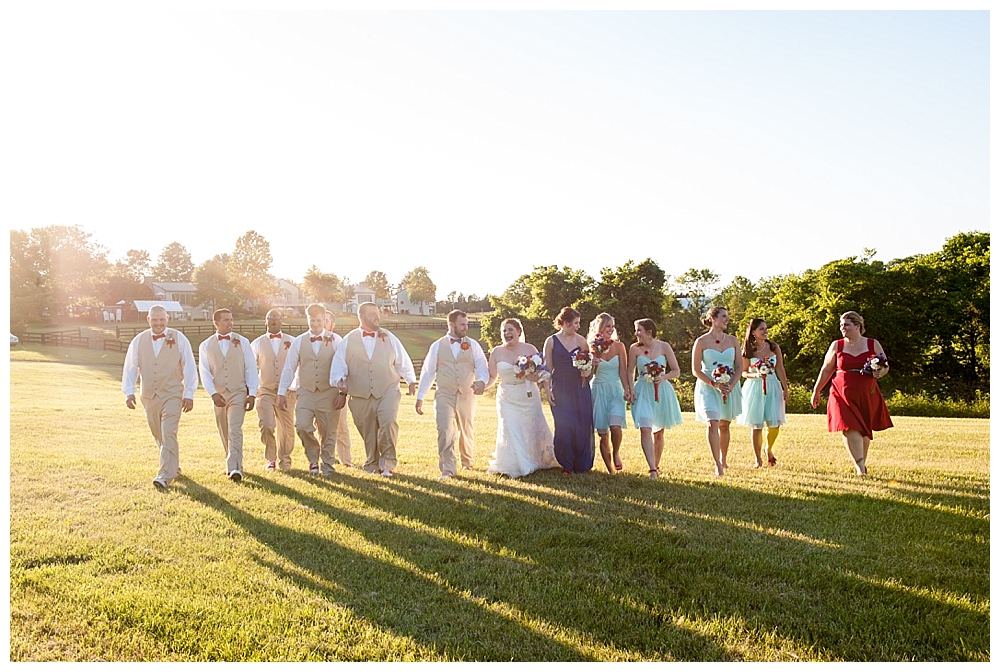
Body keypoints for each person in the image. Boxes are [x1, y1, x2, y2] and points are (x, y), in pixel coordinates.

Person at [331, 302, 417, 477]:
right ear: (361, 317)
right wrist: (339, 382)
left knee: (388, 422)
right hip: (360, 394)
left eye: (377, 313)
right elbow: (339, 365)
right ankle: (372, 461)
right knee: (368, 431)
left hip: (387, 389)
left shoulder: (389, 337)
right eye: (372, 314)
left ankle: (387, 463)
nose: (377, 317)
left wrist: (410, 380)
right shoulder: (348, 340)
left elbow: (402, 360)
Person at [121, 305, 197, 490]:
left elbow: (189, 366)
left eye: (161, 319)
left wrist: (189, 394)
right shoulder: (139, 341)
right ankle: (174, 467)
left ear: (167, 318)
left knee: (169, 432)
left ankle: (164, 475)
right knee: (159, 434)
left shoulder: (180, 339)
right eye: (154, 320)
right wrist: (129, 391)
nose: (158, 323)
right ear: (148, 320)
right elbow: (130, 367)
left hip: (172, 394)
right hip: (149, 395)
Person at [811, 311, 893, 475]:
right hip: (841, 392)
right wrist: (817, 390)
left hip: (866, 392)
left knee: (863, 430)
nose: (843, 328)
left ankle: (862, 462)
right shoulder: (837, 345)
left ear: (857, 326)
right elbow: (827, 369)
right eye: (841, 325)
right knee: (849, 427)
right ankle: (860, 468)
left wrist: (880, 372)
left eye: (846, 325)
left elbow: (885, 366)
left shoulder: (872, 344)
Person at [415, 310, 489, 480]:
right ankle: (447, 469)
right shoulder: (437, 346)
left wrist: (482, 381)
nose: (466, 328)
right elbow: (428, 373)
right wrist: (420, 397)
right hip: (444, 394)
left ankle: (467, 462)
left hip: (467, 394)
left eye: (467, 324)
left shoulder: (473, 345)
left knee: (466, 429)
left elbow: (482, 366)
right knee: (445, 430)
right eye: (462, 324)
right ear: (451, 324)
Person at [485, 318, 559, 478]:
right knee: (510, 426)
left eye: (510, 329)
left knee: (532, 426)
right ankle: (517, 463)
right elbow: (491, 377)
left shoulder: (530, 348)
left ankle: (537, 458)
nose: (507, 333)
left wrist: (531, 375)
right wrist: (482, 386)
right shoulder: (496, 352)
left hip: (528, 396)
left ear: (519, 331)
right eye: (504, 331)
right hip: (507, 397)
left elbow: (542, 374)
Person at [278, 303, 341, 476]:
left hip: (329, 391)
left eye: (319, 320)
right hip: (305, 391)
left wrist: (342, 392)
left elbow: (342, 366)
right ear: (307, 320)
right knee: (302, 426)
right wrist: (281, 392)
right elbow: (289, 368)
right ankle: (313, 459)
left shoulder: (335, 340)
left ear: (324, 319)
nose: (315, 324)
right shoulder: (298, 342)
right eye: (312, 320)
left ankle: (327, 465)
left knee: (329, 431)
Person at [199, 308, 259, 482]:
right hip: (218, 393)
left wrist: (252, 393)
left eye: (231, 319)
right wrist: (212, 393)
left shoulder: (243, 342)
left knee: (234, 428)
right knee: (223, 429)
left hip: (238, 391)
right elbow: (204, 372)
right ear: (215, 323)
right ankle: (232, 461)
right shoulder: (206, 345)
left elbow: (250, 369)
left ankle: (234, 468)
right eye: (225, 320)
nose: (230, 323)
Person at [626, 318, 683, 478]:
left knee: (658, 433)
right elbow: (630, 371)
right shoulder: (634, 349)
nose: (636, 334)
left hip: (662, 391)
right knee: (645, 428)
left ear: (649, 332)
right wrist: (630, 389)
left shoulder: (664, 347)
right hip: (642, 390)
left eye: (639, 330)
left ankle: (656, 465)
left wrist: (662, 377)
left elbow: (676, 371)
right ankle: (651, 468)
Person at [692, 306, 743, 477]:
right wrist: (713, 383)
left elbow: (739, 366)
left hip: (729, 386)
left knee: (724, 424)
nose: (727, 320)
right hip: (708, 387)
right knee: (712, 422)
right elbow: (695, 369)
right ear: (713, 319)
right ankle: (717, 464)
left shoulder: (733, 341)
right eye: (723, 317)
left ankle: (723, 459)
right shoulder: (701, 342)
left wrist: (732, 384)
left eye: (727, 317)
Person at [543, 307, 595, 474]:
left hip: (579, 387)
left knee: (580, 424)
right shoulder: (551, 341)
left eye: (579, 323)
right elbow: (547, 369)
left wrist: (587, 371)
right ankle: (566, 463)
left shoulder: (581, 342)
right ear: (564, 323)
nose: (578, 327)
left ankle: (581, 462)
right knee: (564, 425)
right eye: (575, 323)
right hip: (560, 387)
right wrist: (547, 389)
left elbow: (589, 368)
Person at [736, 319, 789, 468]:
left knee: (775, 424)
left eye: (766, 329)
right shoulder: (748, 350)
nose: (765, 331)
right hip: (754, 388)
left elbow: (780, 368)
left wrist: (785, 388)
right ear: (753, 332)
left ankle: (769, 448)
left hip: (772, 385)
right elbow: (744, 373)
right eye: (761, 329)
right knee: (756, 425)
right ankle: (757, 458)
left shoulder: (773, 347)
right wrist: (756, 375)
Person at [250, 310, 296, 471]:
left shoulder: (292, 341)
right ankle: (271, 458)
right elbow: (250, 368)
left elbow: (299, 366)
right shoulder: (256, 343)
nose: (273, 321)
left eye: (276, 319)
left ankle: (285, 460)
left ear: (282, 321)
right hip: (265, 391)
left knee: (287, 428)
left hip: (287, 392)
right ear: (265, 321)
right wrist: (253, 390)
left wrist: (293, 387)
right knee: (267, 425)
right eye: (270, 319)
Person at [586, 313, 631, 473]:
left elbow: (623, 372)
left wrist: (627, 390)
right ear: (600, 328)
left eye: (612, 326)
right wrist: (592, 364)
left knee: (615, 426)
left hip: (615, 390)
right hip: (598, 390)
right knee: (603, 434)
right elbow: (588, 376)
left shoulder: (619, 346)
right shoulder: (590, 347)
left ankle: (616, 452)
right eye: (607, 326)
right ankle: (610, 469)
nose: (611, 329)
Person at [325, 310, 354, 467]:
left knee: (341, 425)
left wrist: (342, 391)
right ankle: (325, 457)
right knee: (321, 427)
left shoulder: (339, 341)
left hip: (336, 389)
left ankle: (346, 460)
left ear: (333, 325)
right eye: (321, 320)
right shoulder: (307, 340)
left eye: (327, 320)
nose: (324, 323)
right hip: (317, 389)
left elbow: (344, 366)